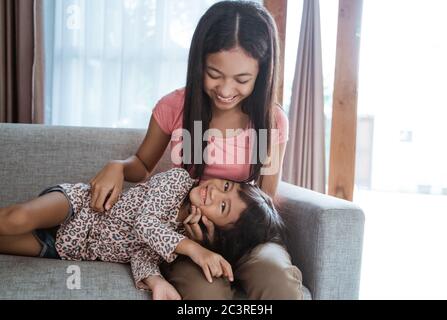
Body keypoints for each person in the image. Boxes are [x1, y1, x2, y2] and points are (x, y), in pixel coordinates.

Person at [89, 1, 303, 299]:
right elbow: (141, 164)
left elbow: (265, 196)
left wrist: (233, 228)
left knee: (277, 279)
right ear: (199, 63)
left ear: (262, 73)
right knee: (207, 293)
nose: (226, 91)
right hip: (184, 235)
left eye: (242, 80)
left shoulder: (271, 121)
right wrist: (118, 166)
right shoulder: (175, 107)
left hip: (246, 237)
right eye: (214, 74)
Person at [0, 168, 286, 300]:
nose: (214, 192)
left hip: (69, 247)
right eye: (226, 186)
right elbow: (143, 224)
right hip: (80, 207)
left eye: (222, 207)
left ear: (218, 231)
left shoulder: (177, 237)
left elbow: (141, 251)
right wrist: (195, 249)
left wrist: (156, 281)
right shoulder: (177, 181)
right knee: (16, 218)